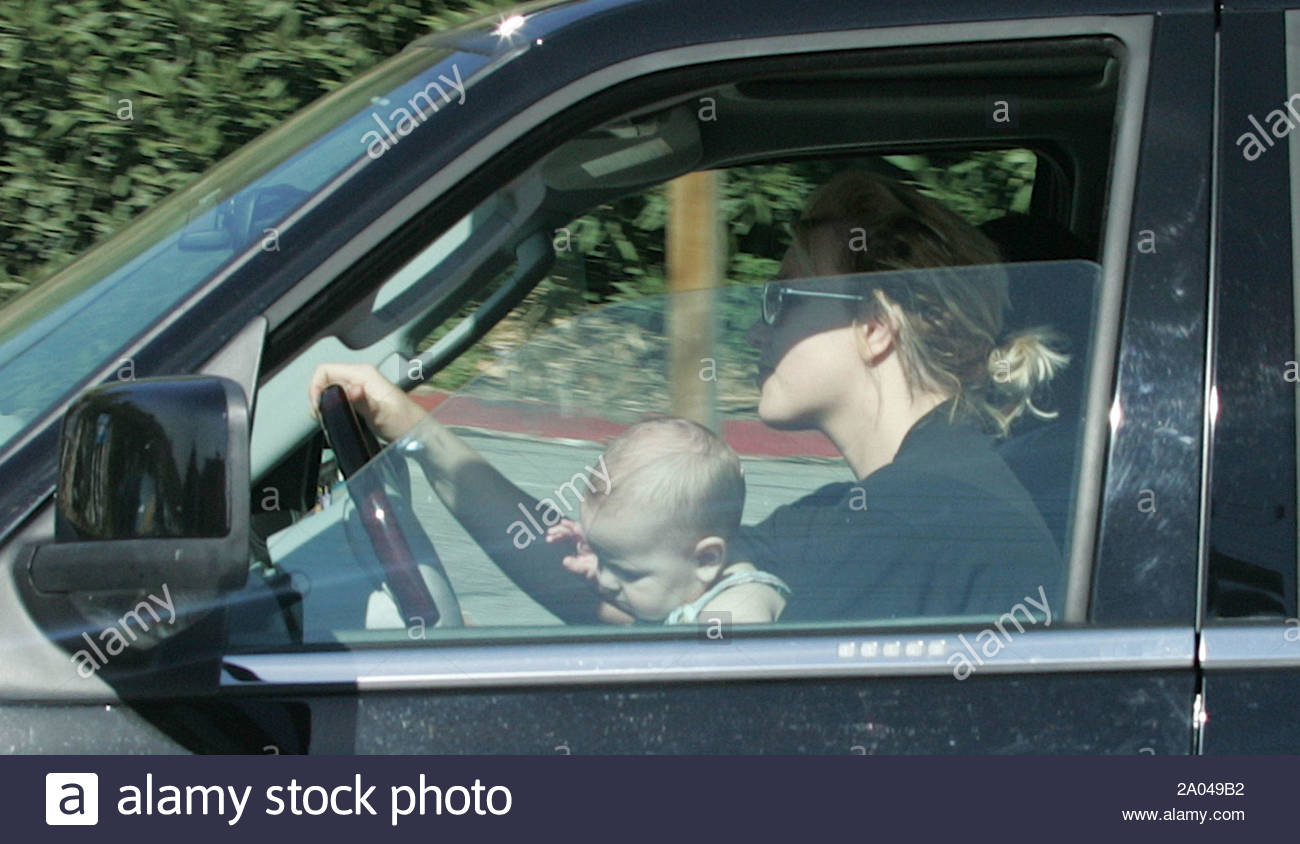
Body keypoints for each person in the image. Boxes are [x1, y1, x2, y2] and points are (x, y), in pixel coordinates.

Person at [308, 169, 1067, 624]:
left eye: (782, 297)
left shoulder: (908, 529)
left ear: (873, 328)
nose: (757, 328)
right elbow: (629, 588)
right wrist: (415, 429)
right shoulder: (884, 505)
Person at [543, 417, 788, 624]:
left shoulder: (735, 609)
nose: (606, 582)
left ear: (706, 559)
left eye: (627, 573)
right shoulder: (685, 579)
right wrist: (602, 558)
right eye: (602, 560)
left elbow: (736, 661)